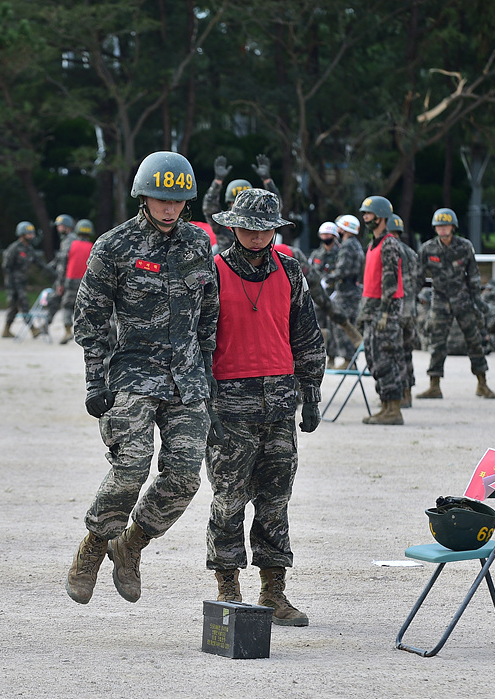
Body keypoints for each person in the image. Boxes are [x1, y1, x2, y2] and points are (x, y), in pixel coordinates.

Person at [66, 151, 218, 605]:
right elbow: (90, 320)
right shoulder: (113, 247)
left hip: (187, 380)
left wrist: (208, 375)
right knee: (131, 466)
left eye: (176, 200)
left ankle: (129, 545)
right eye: (160, 199)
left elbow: (208, 314)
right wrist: (95, 382)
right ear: (143, 197)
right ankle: (94, 544)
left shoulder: (198, 244)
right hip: (132, 376)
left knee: (185, 479)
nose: (169, 208)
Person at [205, 189, 324, 626]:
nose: (257, 236)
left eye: (265, 228)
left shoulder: (290, 270)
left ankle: (274, 591)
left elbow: (307, 335)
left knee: (276, 500)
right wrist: (203, 401)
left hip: (279, 403)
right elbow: (198, 341)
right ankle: (228, 587)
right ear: (232, 226)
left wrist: (310, 395)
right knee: (228, 498)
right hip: (228, 406)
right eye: (249, 228)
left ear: (276, 230)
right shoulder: (211, 273)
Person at [416, 208, 495, 400]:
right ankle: (434, 386)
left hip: (463, 300)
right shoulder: (428, 248)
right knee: (436, 343)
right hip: (440, 301)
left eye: (446, 225)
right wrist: (412, 297)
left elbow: (474, 275)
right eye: (439, 226)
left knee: (474, 341)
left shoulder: (464, 247)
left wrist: (477, 300)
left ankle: (482, 384)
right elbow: (418, 276)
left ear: (453, 227)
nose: (442, 230)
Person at [357, 195, 405, 425]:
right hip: (372, 309)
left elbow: (390, 281)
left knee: (385, 357)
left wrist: (385, 312)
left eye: (369, 213)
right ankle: (385, 405)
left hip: (385, 310)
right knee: (374, 358)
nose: (365, 217)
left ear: (381, 217)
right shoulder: (372, 244)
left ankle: (394, 408)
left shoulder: (389, 244)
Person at [389, 214, 421, 407]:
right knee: (407, 352)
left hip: (398, 309)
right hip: (411, 309)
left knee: (396, 353)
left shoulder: (390, 250)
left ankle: (400, 393)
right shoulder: (410, 252)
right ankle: (408, 392)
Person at [1, 220, 50, 338]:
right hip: (13, 284)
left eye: (32, 233)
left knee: (13, 308)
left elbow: (39, 262)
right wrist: (10, 283)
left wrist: (50, 270)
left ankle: (6, 331)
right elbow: (6, 266)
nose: (31, 236)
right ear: (22, 234)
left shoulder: (29, 249)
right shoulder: (14, 248)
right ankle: (33, 330)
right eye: (29, 234)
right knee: (24, 304)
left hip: (21, 283)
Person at [327, 213, 364, 361]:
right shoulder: (356, 244)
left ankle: (348, 359)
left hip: (346, 292)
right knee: (350, 323)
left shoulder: (348, 246)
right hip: (353, 291)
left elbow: (342, 270)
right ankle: (351, 359)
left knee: (342, 324)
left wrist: (327, 279)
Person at [55, 218, 95, 344]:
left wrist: (60, 283)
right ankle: (88, 333)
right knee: (87, 308)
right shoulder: (93, 246)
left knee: (66, 306)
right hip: (86, 282)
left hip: (71, 280)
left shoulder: (71, 244)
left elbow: (63, 265)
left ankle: (68, 330)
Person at [310, 221, 341, 367]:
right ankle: (319, 358)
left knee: (333, 328)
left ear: (334, 236)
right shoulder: (316, 254)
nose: (325, 237)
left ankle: (333, 358)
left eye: (328, 234)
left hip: (335, 295)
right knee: (318, 328)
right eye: (323, 234)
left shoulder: (341, 253)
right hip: (318, 298)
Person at [41, 214, 76, 336]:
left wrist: (60, 282)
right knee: (55, 300)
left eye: (60, 226)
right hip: (69, 277)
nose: (58, 228)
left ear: (67, 227)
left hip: (67, 278)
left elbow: (64, 262)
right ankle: (46, 324)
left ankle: (65, 330)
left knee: (60, 302)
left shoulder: (69, 240)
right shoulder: (68, 240)